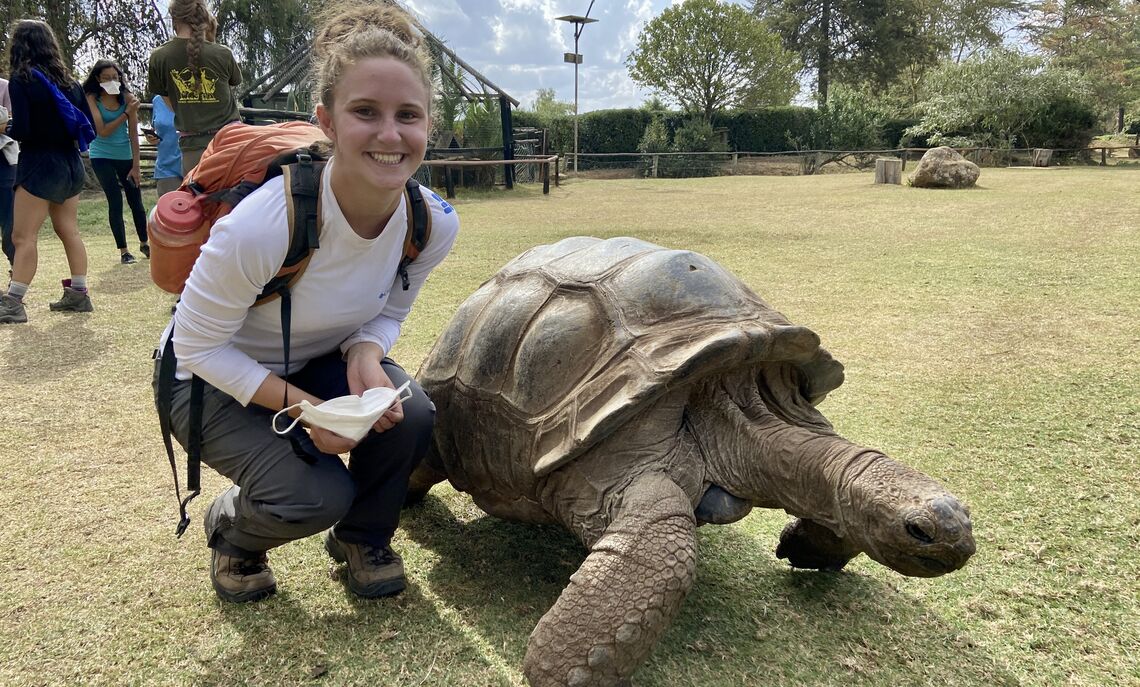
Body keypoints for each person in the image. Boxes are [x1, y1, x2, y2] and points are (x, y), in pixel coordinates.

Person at [153, 0, 459, 603]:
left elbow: (390, 308)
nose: (390, 134)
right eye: (365, 112)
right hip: (202, 378)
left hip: (311, 360)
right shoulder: (262, 226)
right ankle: (235, 533)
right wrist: (306, 409)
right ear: (326, 119)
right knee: (314, 494)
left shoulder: (432, 222)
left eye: (409, 115)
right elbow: (196, 344)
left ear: (429, 124)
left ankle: (363, 538)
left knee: (412, 416)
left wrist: (366, 355)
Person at [0, 20, 94, 324]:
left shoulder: (22, 79)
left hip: (40, 164)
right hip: (71, 164)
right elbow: (87, 122)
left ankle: (13, 302)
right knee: (69, 230)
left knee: (22, 236)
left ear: (20, 44)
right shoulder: (70, 81)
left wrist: (7, 126)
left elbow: (25, 129)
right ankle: (79, 293)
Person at [147, 0, 242, 175]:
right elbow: (231, 88)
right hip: (231, 142)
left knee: (199, 199)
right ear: (203, 17)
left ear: (174, 19)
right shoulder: (223, 53)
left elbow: (170, 103)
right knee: (236, 200)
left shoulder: (159, 57)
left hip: (192, 147)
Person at [83, 60, 149, 264]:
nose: (112, 81)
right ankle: (124, 251)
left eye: (115, 77)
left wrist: (136, 166)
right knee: (115, 200)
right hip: (101, 154)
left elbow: (133, 135)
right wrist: (126, 114)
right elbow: (102, 130)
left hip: (125, 155)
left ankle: (145, 243)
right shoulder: (92, 98)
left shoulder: (127, 98)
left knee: (136, 202)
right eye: (107, 78)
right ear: (97, 79)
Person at [147, 94, 183, 196]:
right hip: (166, 166)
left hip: (195, 163)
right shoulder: (157, 100)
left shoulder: (198, 98)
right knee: (170, 208)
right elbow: (156, 127)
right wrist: (151, 137)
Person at [0, 75, 17, 271]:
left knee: (10, 224)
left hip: (5, 162)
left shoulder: (5, 87)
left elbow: (11, 124)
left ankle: (16, 272)